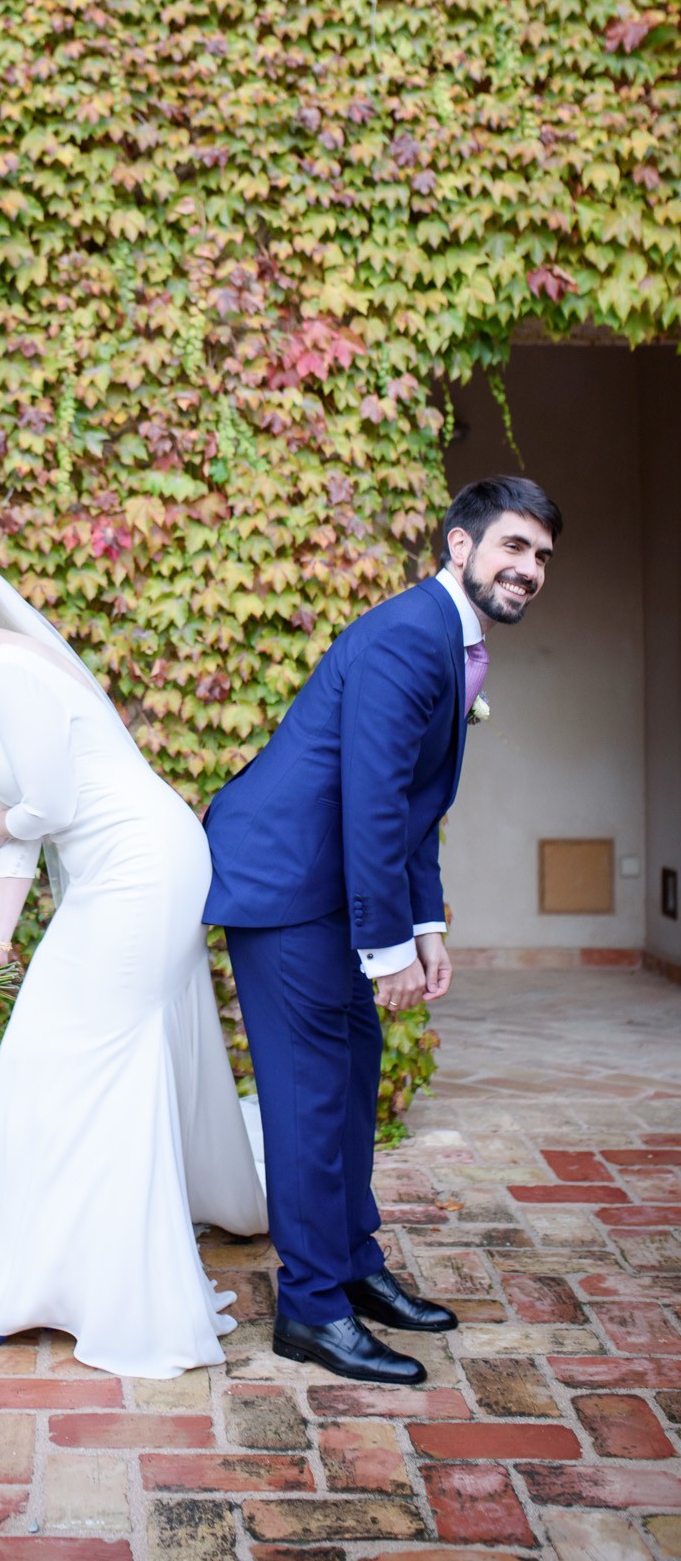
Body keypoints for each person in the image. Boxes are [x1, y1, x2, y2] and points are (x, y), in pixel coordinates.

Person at [0, 546, 267, 1379]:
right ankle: (54, 1285)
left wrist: (3, 826)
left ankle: (106, 1297)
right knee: (56, 1064)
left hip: (141, 869)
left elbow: (40, 811)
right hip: (119, 870)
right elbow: (25, 817)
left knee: (71, 1065)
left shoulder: (9, 674)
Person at [204, 476, 562, 1386]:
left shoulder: (448, 636)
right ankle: (311, 1310)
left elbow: (409, 805)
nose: (528, 568)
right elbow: (367, 802)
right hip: (288, 886)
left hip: (326, 881)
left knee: (351, 1082)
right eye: (512, 547)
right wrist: (386, 948)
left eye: (541, 557)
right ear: (457, 546)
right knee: (307, 1099)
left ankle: (355, 1270)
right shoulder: (411, 634)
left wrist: (425, 924)